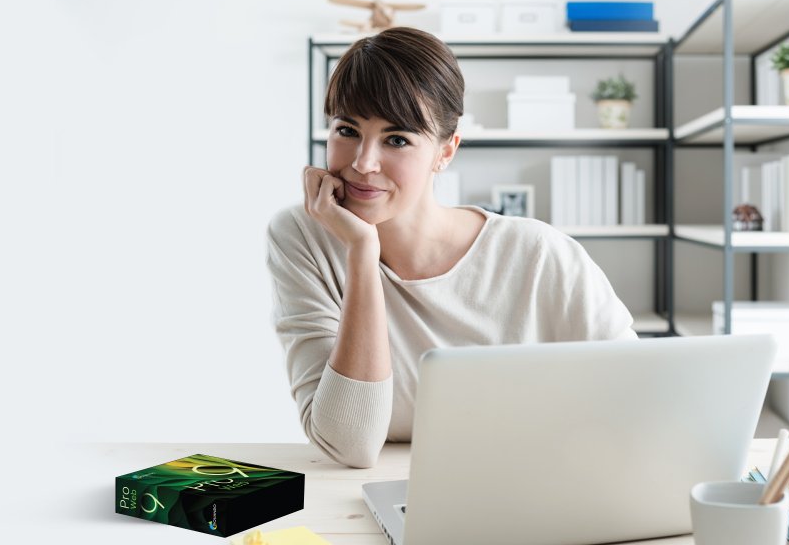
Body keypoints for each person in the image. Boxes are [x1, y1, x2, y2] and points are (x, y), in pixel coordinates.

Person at [266, 27, 637, 469]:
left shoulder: (539, 254)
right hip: (377, 497)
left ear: (446, 152)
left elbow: (639, 399)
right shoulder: (302, 237)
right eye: (347, 130)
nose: (363, 163)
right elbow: (351, 445)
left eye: (397, 139)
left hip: (530, 483)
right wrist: (362, 253)